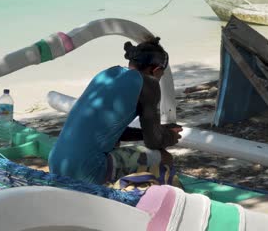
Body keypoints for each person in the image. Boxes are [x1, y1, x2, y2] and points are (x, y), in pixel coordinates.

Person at [49, 37, 183, 185]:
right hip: (87, 170)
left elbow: (109, 131)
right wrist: (170, 136)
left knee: (114, 144)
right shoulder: (149, 84)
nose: (159, 78)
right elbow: (153, 142)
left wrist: (158, 130)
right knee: (164, 158)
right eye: (161, 75)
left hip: (56, 164)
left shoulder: (108, 74)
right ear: (156, 70)